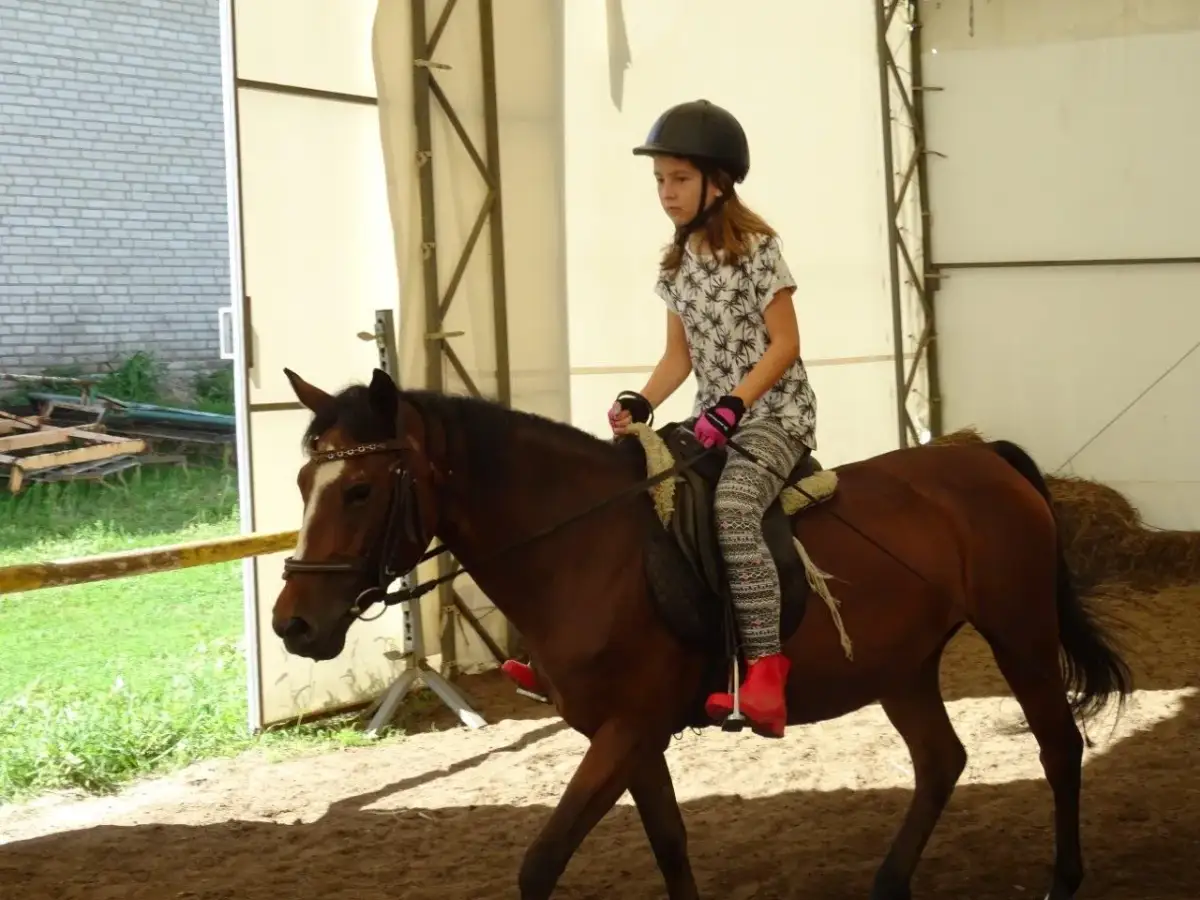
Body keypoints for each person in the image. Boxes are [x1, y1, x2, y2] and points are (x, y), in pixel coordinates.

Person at [501, 99, 817, 738]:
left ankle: (763, 669)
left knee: (731, 509)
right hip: (710, 421)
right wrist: (644, 401)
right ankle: (574, 656)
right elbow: (679, 357)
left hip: (776, 417)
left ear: (717, 181)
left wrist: (734, 405)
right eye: (659, 182)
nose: (666, 194)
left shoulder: (760, 249)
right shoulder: (675, 266)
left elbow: (786, 345)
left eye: (677, 179)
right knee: (628, 495)